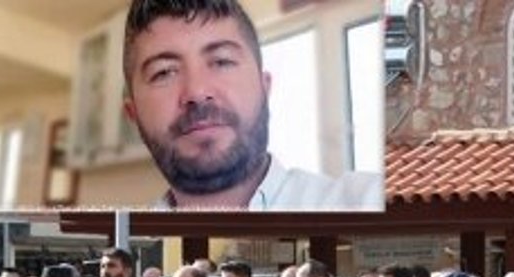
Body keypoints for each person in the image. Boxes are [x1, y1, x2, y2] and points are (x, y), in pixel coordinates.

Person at [121, 0, 380, 210]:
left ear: (264, 88)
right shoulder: (131, 235)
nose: (197, 92)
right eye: (164, 72)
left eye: (222, 61)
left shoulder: (367, 199)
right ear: (133, 115)